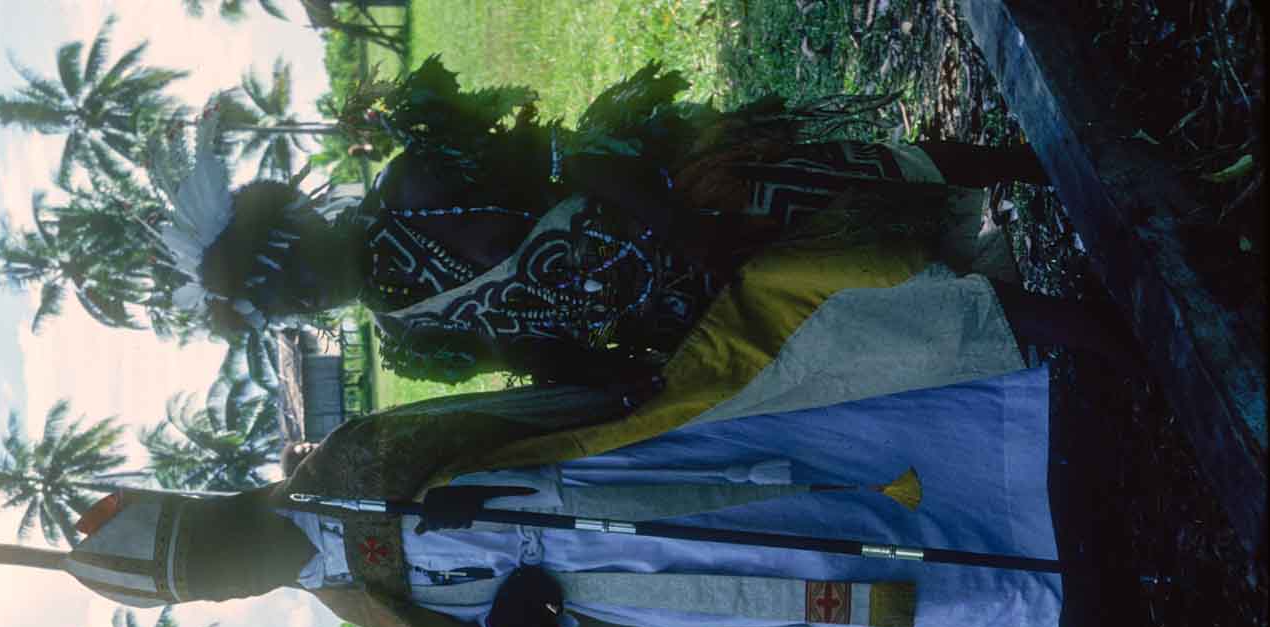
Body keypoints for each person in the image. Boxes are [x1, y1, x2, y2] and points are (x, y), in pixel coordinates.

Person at [70, 185, 1094, 627]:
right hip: (621, 604)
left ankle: (1013, 467)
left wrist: (607, 410)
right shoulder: (349, 603)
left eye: (213, 551)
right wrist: (515, 626)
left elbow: (500, 423)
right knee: (804, 599)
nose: (232, 575)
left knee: (807, 486)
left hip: (611, 487)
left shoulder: (345, 463)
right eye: (211, 588)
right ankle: (1018, 592)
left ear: (213, 508)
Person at [159, 56, 1126, 390]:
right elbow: (534, 352)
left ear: (295, 225)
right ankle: (1120, 336)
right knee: (889, 303)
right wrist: (632, 379)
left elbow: (573, 160)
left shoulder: (416, 181)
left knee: (874, 179)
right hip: (676, 314)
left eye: (288, 275)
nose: (307, 298)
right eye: (289, 307)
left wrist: (682, 225)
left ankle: (1061, 164)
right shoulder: (411, 340)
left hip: (688, 206)